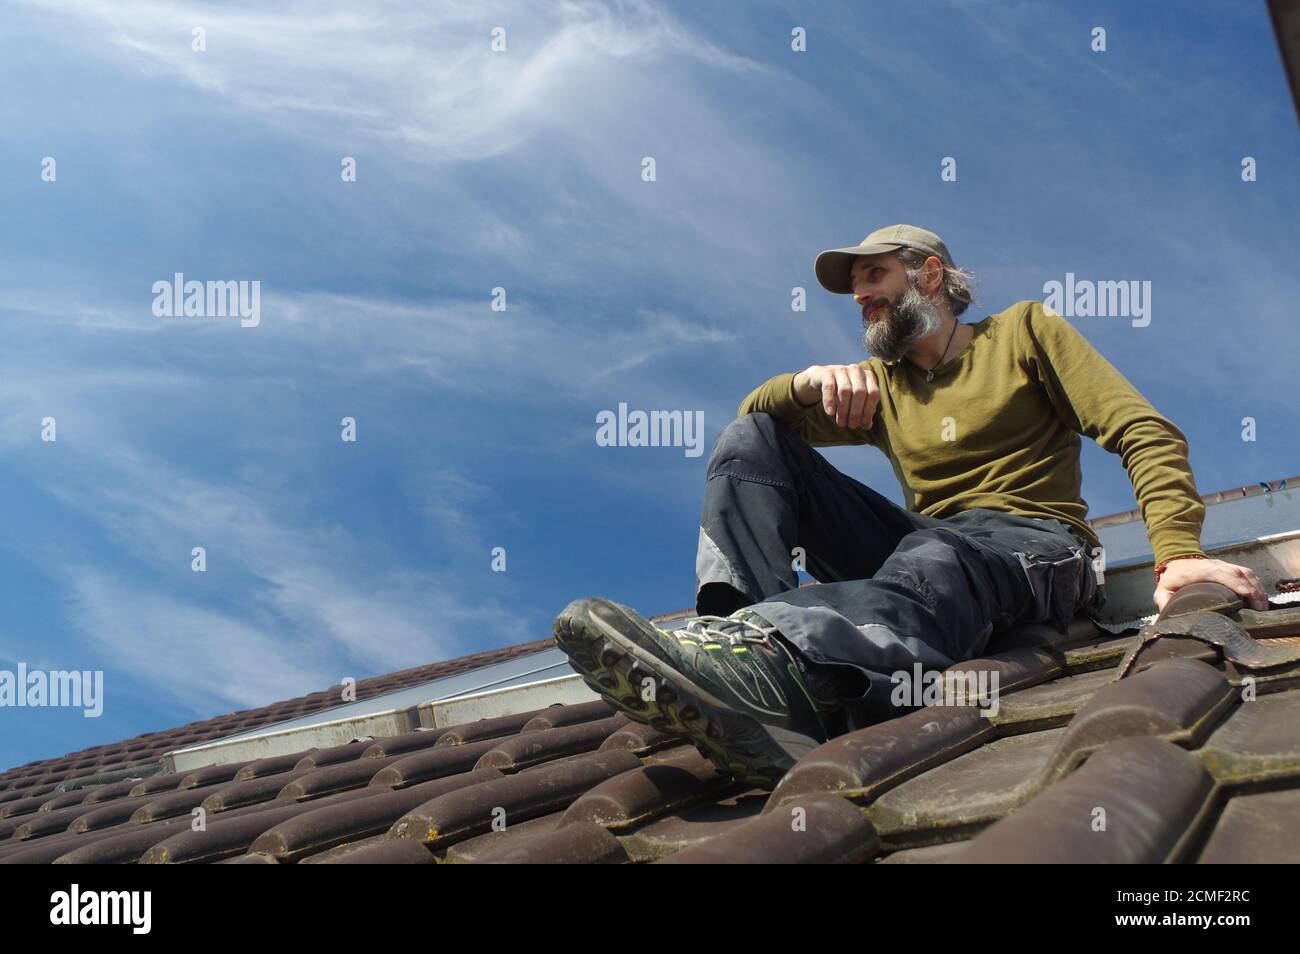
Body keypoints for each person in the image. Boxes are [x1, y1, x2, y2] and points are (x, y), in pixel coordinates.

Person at [553, 224, 1268, 790]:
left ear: (930, 273)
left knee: (942, 549)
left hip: (1033, 548)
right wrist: (805, 384)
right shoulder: (880, 383)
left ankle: (794, 663)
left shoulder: (1022, 332)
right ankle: (736, 655)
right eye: (856, 287)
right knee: (753, 439)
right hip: (929, 547)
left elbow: (1142, 431)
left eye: (874, 276)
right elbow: (752, 421)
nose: (861, 296)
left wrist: (1178, 551)